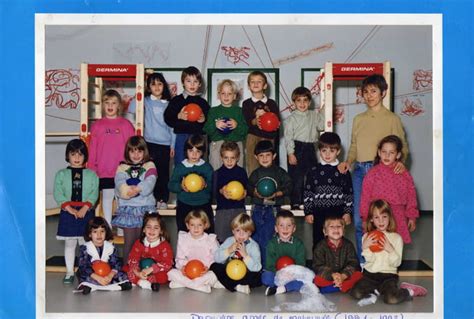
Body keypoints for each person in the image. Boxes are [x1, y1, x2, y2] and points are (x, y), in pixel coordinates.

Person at [337, 74, 409, 263]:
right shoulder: (359, 119)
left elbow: (403, 147)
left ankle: (384, 261)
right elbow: (354, 145)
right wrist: (348, 161)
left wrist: (402, 162)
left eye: (374, 91)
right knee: (361, 219)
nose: (369, 96)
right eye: (366, 92)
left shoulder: (392, 119)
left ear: (383, 93)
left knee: (383, 218)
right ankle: (365, 262)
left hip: (381, 172)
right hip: (360, 171)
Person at [350, 200, 427, 304]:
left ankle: (408, 291)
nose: (381, 221)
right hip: (369, 275)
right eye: (376, 217)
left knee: (392, 299)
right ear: (371, 220)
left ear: (389, 217)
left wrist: (390, 249)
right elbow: (370, 260)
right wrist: (365, 248)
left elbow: (396, 263)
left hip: (388, 276)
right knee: (356, 293)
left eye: (384, 217)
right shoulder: (367, 237)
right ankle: (375, 291)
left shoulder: (396, 238)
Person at [88, 89, 135, 229]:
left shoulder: (126, 125)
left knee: (122, 199)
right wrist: (91, 167)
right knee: (107, 198)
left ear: (119, 106)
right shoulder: (97, 125)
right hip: (104, 170)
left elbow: (132, 147)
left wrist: (133, 166)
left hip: (123, 171)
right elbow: (93, 148)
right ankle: (107, 227)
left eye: (113, 103)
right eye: (107, 103)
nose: (110, 106)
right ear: (102, 105)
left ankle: (122, 228)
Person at [54, 139, 99, 284]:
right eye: (73, 154)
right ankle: (69, 271)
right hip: (68, 211)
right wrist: (69, 208)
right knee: (70, 243)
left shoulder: (92, 175)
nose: (77, 158)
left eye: (80, 154)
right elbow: (58, 192)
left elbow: (94, 192)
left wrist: (85, 207)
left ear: (85, 156)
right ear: (68, 155)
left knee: (85, 244)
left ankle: (85, 270)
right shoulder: (61, 174)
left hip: (86, 212)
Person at [128, 72, 175, 209]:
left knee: (163, 174)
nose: (157, 87)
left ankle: (162, 199)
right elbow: (132, 108)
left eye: (159, 84)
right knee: (149, 173)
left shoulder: (169, 104)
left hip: (165, 144)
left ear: (164, 86)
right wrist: (140, 90)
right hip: (148, 144)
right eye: (153, 84)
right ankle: (151, 198)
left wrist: (172, 145)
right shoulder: (146, 100)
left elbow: (173, 127)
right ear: (148, 87)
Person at [360, 135, 419, 244]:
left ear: (398, 155)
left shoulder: (404, 173)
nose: (387, 155)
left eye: (391, 153)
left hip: (398, 216)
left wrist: (412, 217)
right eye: (384, 152)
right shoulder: (372, 174)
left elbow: (411, 195)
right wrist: (364, 218)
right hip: (378, 216)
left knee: (396, 246)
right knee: (378, 246)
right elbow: (365, 197)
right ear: (379, 152)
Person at [304, 132, 353, 250]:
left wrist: (347, 212)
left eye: (331, 151)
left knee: (337, 240)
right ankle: (318, 266)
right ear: (319, 150)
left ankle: (336, 265)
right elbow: (308, 192)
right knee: (318, 240)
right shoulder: (313, 170)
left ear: (338, 151)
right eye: (324, 150)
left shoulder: (343, 171)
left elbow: (348, 193)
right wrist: (308, 211)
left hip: (337, 212)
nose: (327, 154)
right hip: (318, 212)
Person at [112, 136, 157, 263]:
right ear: (128, 152)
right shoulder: (122, 167)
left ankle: (145, 269)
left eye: (139, 151)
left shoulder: (149, 165)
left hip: (145, 208)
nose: (136, 155)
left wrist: (138, 189)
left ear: (144, 152)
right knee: (130, 242)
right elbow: (119, 182)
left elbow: (150, 181)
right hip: (129, 210)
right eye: (132, 151)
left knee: (146, 241)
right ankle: (127, 269)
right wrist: (127, 191)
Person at [247, 140, 292, 266]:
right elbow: (249, 188)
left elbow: (289, 186)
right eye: (261, 155)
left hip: (273, 210)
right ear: (256, 157)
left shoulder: (279, 172)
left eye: (268, 155)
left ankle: (268, 266)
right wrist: (255, 192)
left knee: (269, 238)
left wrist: (277, 194)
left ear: (274, 156)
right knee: (255, 237)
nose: (265, 158)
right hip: (257, 209)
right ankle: (256, 265)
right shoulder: (255, 174)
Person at [284, 86, 325, 209]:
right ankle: (296, 202)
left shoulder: (313, 114)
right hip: (297, 147)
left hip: (310, 148)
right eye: (298, 100)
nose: (302, 103)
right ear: (294, 102)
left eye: (305, 100)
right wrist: (291, 153)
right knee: (296, 177)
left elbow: (321, 126)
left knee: (312, 175)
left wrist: (323, 112)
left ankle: (309, 200)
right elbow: (288, 137)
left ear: (310, 102)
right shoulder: (291, 118)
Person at [164, 66, 210, 164]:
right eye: (189, 81)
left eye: (195, 81)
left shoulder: (203, 103)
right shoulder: (176, 100)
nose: (192, 84)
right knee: (181, 164)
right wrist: (178, 116)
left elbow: (209, 123)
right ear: (183, 83)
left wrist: (203, 120)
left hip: (199, 138)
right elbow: (167, 118)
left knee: (199, 165)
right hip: (182, 136)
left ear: (200, 84)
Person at [168, 134, 214, 233]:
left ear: (202, 153)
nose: (194, 154)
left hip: (203, 205)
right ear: (186, 151)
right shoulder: (180, 167)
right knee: (184, 232)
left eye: (198, 151)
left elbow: (212, 186)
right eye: (191, 151)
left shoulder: (206, 167)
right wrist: (180, 186)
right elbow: (171, 185)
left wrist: (205, 184)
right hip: (184, 205)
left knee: (206, 233)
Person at [167, 210, 220, 293]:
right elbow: (179, 258)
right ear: (187, 225)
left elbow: (215, 258)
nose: (196, 228)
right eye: (192, 225)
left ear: (205, 225)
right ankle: (199, 286)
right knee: (171, 272)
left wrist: (208, 268)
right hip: (187, 273)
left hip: (203, 273)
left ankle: (184, 284)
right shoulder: (183, 238)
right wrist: (183, 268)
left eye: (199, 225)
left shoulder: (210, 239)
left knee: (214, 275)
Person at [76, 217, 132, 295]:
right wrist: (97, 278)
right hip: (93, 275)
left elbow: (116, 264)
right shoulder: (86, 248)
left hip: (107, 274)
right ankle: (93, 285)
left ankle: (94, 286)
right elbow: (84, 266)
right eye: (95, 232)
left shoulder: (110, 247)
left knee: (124, 275)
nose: (99, 235)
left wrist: (110, 276)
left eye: (102, 231)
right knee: (82, 275)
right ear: (89, 234)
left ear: (106, 233)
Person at [209, 213, 262, 294]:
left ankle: (227, 284)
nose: (241, 234)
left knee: (258, 278)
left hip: (245, 274)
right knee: (214, 266)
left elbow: (257, 267)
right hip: (230, 273)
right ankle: (237, 286)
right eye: (238, 230)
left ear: (250, 233)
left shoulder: (254, 246)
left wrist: (245, 255)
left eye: (245, 231)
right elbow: (217, 258)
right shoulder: (229, 241)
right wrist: (229, 250)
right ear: (233, 231)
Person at [204, 79, 248, 170]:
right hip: (217, 144)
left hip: (236, 144)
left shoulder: (239, 111)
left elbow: (245, 131)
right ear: (219, 95)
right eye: (223, 93)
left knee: (237, 171)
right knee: (216, 170)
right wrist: (215, 125)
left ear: (235, 96)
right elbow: (206, 129)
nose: (226, 96)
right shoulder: (213, 111)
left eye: (229, 93)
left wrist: (237, 126)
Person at [242, 71, 280, 174]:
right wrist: (257, 118)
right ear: (249, 86)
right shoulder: (246, 103)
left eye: (259, 81)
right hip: (253, 137)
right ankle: (253, 187)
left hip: (269, 137)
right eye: (252, 82)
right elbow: (248, 121)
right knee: (252, 165)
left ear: (265, 85)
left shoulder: (272, 103)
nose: (255, 84)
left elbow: (277, 122)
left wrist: (267, 116)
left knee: (269, 166)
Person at [313, 216, 362, 293]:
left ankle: (337, 285)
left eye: (339, 226)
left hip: (344, 276)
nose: (336, 229)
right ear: (325, 231)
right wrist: (333, 275)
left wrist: (343, 276)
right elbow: (318, 266)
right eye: (331, 226)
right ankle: (340, 286)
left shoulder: (348, 245)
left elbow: (354, 263)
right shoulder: (320, 246)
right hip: (329, 277)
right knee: (316, 279)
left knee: (358, 275)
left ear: (344, 231)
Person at [262, 210, 306, 296]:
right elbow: (269, 265)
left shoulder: (299, 244)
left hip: (292, 275)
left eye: (289, 225)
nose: (285, 229)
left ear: (294, 228)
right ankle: (282, 286)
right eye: (281, 225)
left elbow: (301, 264)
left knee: (304, 281)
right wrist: (280, 274)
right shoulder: (271, 244)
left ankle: (282, 288)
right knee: (266, 277)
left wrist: (292, 274)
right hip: (276, 274)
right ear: (276, 228)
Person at [127, 212, 173, 292]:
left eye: (156, 228)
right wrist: (137, 272)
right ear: (144, 229)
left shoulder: (164, 245)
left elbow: (167, 263)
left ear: (161, 231)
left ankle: (146, 281)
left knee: (165, 276)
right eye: (148, 227)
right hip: (140, 269)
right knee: (127, 270)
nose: (152, 230)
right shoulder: (139, 243)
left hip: (156, 271)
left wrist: (151, 269)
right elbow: (133, 258)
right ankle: (141, 281)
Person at [213, 141, 248, 242]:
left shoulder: (241, 172)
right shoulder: (217, 173)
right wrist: (221, 191)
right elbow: (214, 193)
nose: (229, 161)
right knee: (222, 240)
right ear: (221, 157)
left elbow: (247, 189)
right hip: (222, 212)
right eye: (226, 158)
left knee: (240, 240)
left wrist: (244, 194)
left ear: (237, 157)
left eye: (232, 158)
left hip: (239, 210)